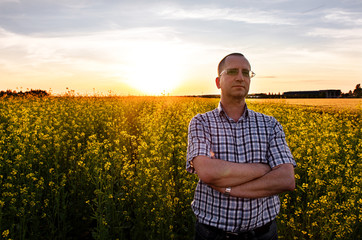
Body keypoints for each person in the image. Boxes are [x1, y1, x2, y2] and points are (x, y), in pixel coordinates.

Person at [186, 53, 296, 240]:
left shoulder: (270, 124)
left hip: (263, 234)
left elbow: (286, 179)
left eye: (246, 73)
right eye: (232, 72)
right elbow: (207, 173)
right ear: (218, 82)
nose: (240, 77)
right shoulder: (201, 122)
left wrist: (229, 189)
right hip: (213, 234)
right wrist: (263, 169)